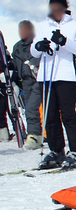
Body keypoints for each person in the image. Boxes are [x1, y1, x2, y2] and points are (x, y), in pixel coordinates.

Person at [31, 0, 76, 169]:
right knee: (50, 114)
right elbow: (34, 50)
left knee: (68, 114)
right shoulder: (42, 26)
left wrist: (64, 41)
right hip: (46, 75)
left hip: (66, 76)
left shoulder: (75, 26)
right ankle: (56, 150)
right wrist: (38, 46)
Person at [11, 20, 42, 149]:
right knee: (28, 108)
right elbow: (15, 62)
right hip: (25, 82)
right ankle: (36, 135)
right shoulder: (17, 47)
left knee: (32, 108)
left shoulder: (36, 44)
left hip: (37, 80)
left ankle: (34, 135)